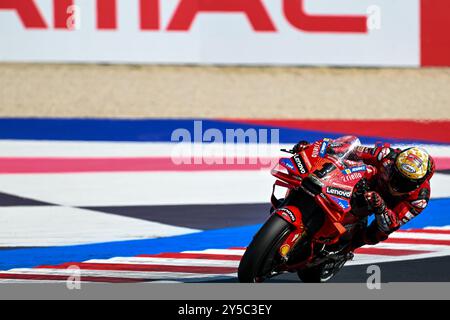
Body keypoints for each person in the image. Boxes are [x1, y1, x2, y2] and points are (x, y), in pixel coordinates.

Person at [293, 138, 435, 250]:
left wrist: (381, 207)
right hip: (366, 185)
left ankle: (346, 249)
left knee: (376, 234)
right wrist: (312, 148)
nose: (397, 184)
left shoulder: (419, 199)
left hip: (386, 206)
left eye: (406, 182)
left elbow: (393, 224)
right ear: (395, 165)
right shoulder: (386, 156)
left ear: (418, 183)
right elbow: (352, 150)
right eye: (397, 175)